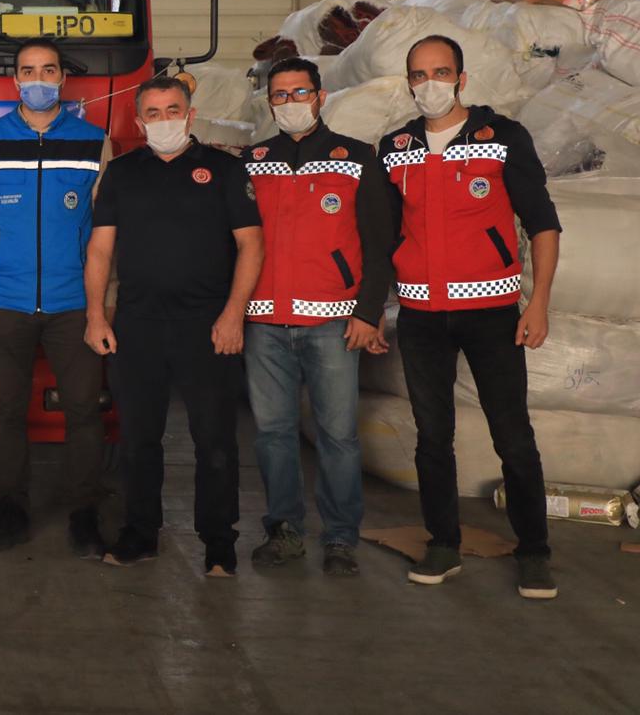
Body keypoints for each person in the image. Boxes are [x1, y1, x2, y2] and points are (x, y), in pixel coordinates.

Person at [379, 35, 561, 599]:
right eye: (418, 74)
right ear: (408, 82)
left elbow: (542, 223)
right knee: (433, 436)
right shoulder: (394, 147)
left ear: (461, 78)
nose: (429, 84)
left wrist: (538, 302)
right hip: (421, 316)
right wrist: (371, 308)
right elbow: (382, 234)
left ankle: (534, 552)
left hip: (491, 313)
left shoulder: (502, 137)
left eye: (440, 72)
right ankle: (443, 543)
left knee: (513, 435)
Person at [84, 75, 263, 577]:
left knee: (215, 440)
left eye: (173, 110)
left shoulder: (225, 170)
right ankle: (140, 533)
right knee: (139, 439)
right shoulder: (121, 173)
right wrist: (96, 315)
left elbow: (251, 244)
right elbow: (99, 249)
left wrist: (233, 314)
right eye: (154, 113)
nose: (164, 120)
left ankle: (219, 542)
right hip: (137, 325)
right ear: (139, 121)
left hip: (207, 326)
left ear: (190, 114)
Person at [242, 57, 393, 577]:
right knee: (273, 434)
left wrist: (368, 312)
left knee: (338, 435)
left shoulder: (356, 157)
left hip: (333, 321)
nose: (290, 103)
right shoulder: (253, 160)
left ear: (320, 96)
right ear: (269, 103)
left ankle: (340, 537)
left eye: (299, 93)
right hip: (264, 321)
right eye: (280, 95)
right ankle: (283, 530)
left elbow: (379, 242)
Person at [0, 38, 110, 557]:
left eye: (49, 70)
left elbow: (106, 231)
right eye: (29, 71)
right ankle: (11, 511)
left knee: (84, 412)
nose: (39, 79)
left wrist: (103, 304)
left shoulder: (94, 142)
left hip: (75, 304)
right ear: (15, 80)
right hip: (6, 300)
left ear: (63, 78)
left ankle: (84, 515)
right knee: (6, 413)